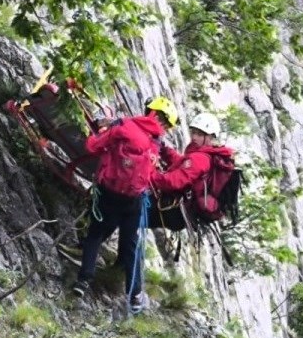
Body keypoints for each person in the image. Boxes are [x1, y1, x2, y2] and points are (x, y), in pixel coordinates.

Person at [66, 96, 178, 314]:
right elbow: (151, 175)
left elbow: (93, 146)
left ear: (150, 111)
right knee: (130, 245)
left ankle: (83, 280)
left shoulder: (124, 125)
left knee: (95, 234)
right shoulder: (155, 144)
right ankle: (135, 295)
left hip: (109, 192)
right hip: (134, 200)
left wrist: (100, 132)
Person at [149, 112, 235, 230]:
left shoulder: (200, 158)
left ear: (210, 137)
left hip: (173, 209)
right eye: (193, 132)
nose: (194, 137)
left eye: (199, 134)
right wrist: (164, 150)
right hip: (180, 211)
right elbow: (183, 163)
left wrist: (150, 176)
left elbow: (175, 181)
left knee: (130, 209)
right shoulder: (207, 153)